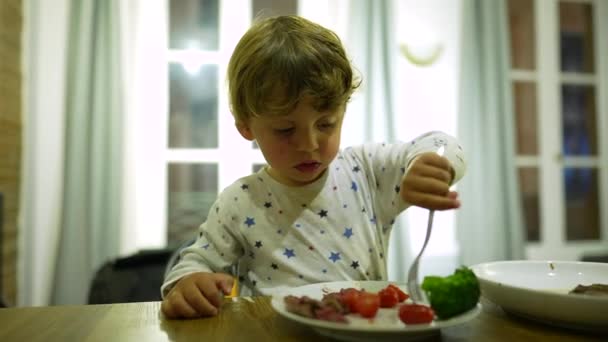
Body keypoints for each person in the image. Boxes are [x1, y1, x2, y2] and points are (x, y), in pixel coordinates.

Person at [161, 15, 466, 319]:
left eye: (326, 124)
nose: (308, 144)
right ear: (246, 127)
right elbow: (193, 265)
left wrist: (431, 164)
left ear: (343, 111)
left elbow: (443, 143)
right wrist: (189, 284)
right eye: (285, 130)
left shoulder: (367, 172)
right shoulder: (240, 200)